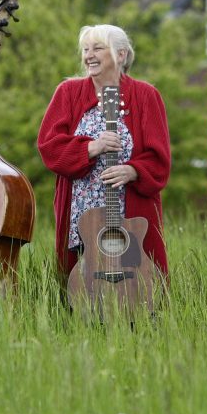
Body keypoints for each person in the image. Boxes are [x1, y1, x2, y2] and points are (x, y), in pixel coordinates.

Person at [37, 24, 171, 281]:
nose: (89, 55)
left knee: (138, 288)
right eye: (85, 49)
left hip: (131, 215)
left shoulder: (146, 96)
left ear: (121, 55)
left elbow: (160, 160)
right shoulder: (68, 92)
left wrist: (133, 170)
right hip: (81, 217)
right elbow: (49, 147)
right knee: (82, 291)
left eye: (98, 48)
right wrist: (91, 147)